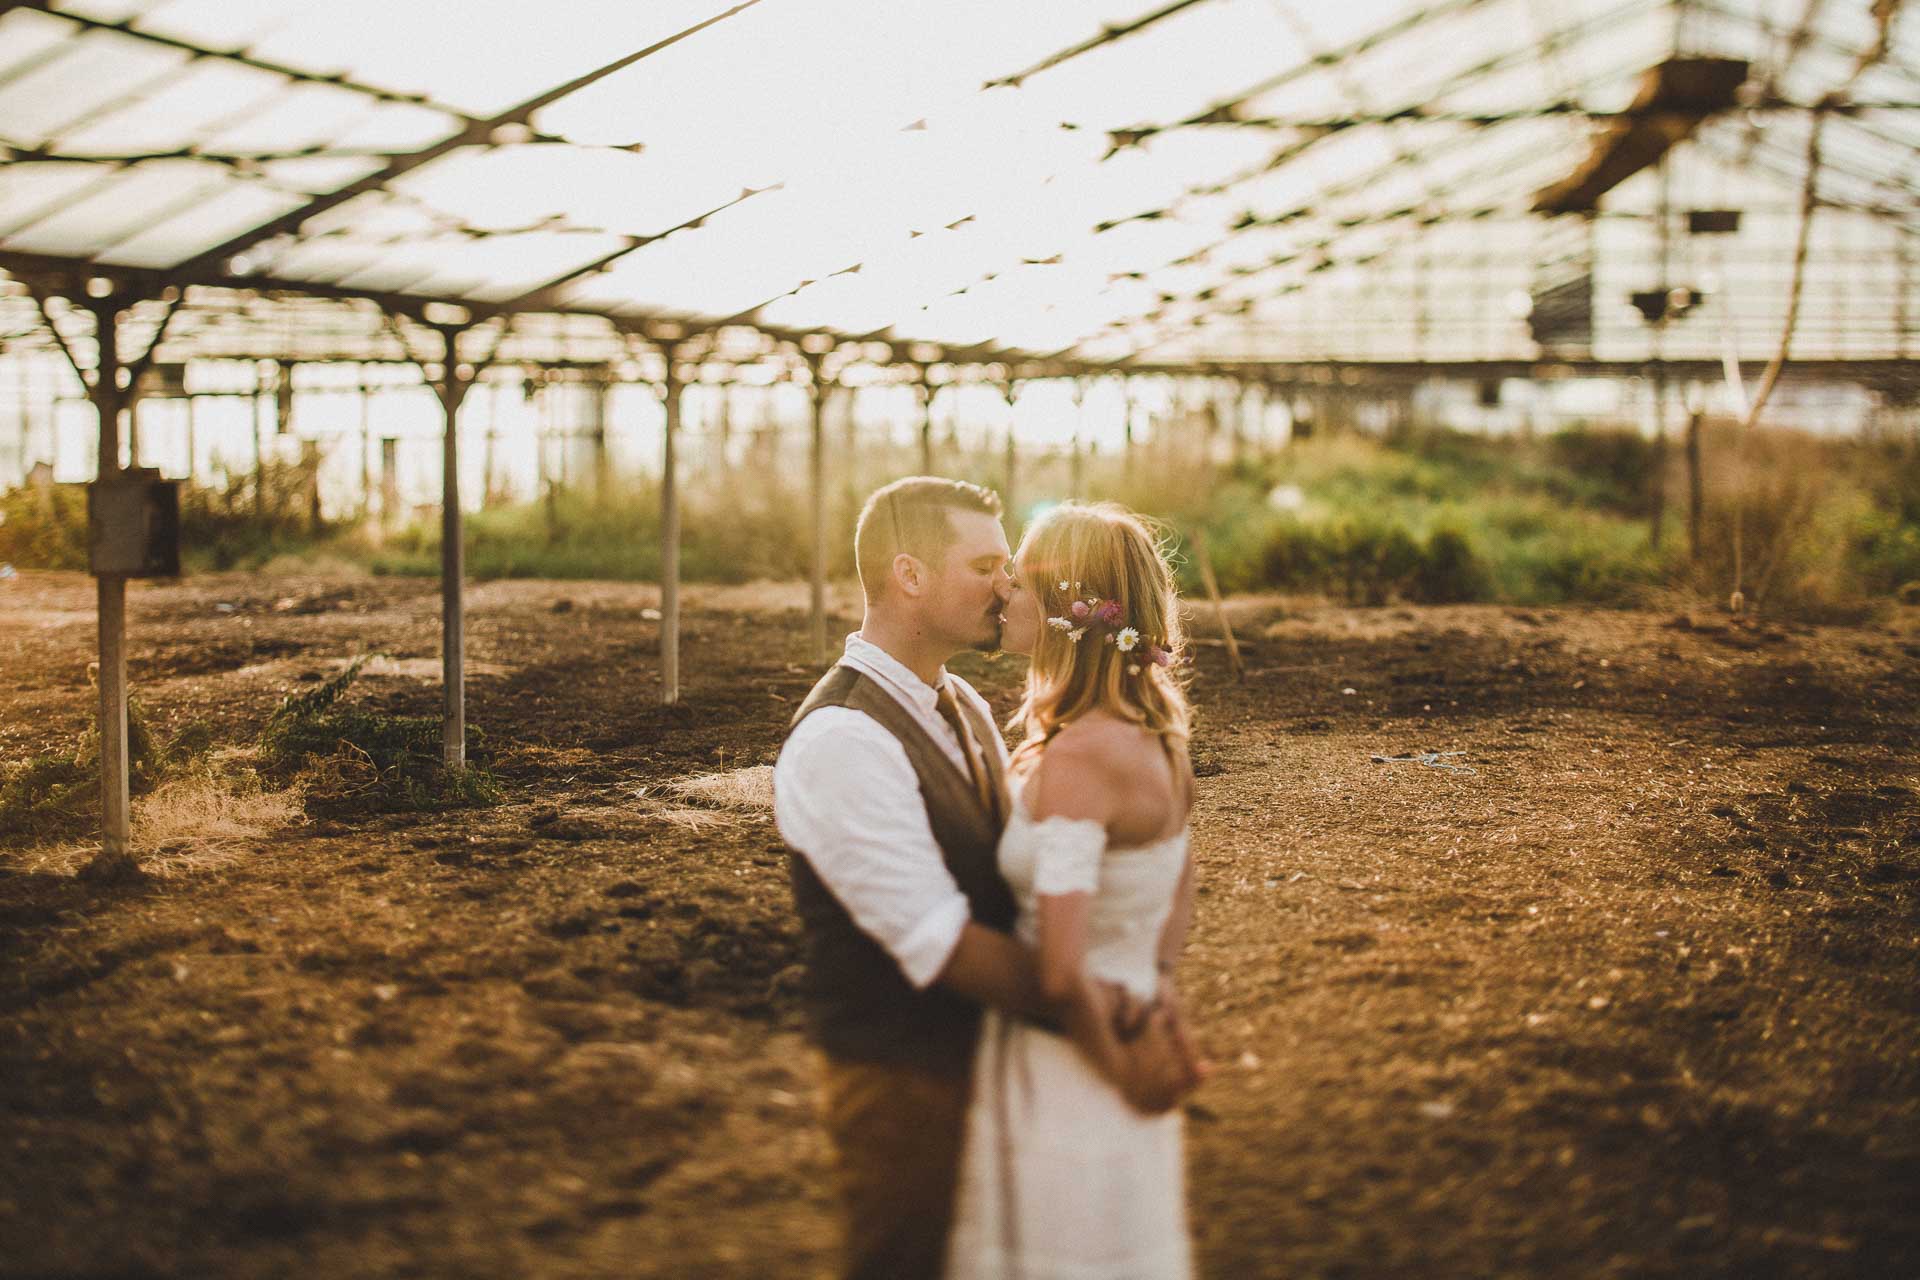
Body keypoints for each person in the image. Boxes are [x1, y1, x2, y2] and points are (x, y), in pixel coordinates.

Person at [774, 478, 1200, 1280]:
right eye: (987, 565)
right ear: (909, 576)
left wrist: (1141, 980)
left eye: (1015, 569)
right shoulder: (841, 740)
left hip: (998, 1061)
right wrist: (1116, 1014)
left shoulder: (963, 703)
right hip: (904, 1078)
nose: (1007, 585)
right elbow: (940, 943)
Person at [945, 500, 1202, 1280]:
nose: (1003, 596)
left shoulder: (1079, 760)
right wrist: (1149, 988)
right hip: (1128, 1013)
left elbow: (1057, 971)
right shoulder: (1161, 737)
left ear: (1065, 609)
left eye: (1018, 581)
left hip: (1072, 1061)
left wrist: (1121, 1077)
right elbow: (1175, 901)